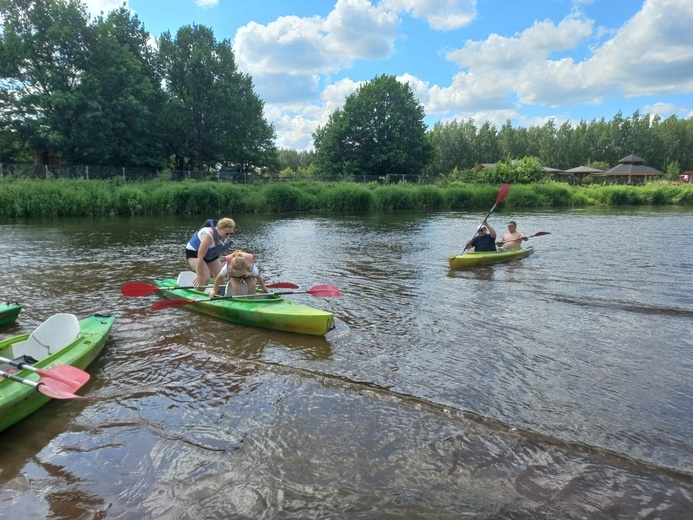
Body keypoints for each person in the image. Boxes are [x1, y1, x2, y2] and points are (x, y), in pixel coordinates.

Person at [185, 218, 236, 288]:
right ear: (220, 228)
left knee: (220, 277)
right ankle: (198, 295)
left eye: (231, 233)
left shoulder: (224, 235)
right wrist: (199, 275)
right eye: (227, 233)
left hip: (210, 253)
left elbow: (217, 250)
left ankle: (219, 294)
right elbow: (200, 257)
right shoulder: (208, 236)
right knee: (205, 278)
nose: (228, 235)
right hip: (195, 253)